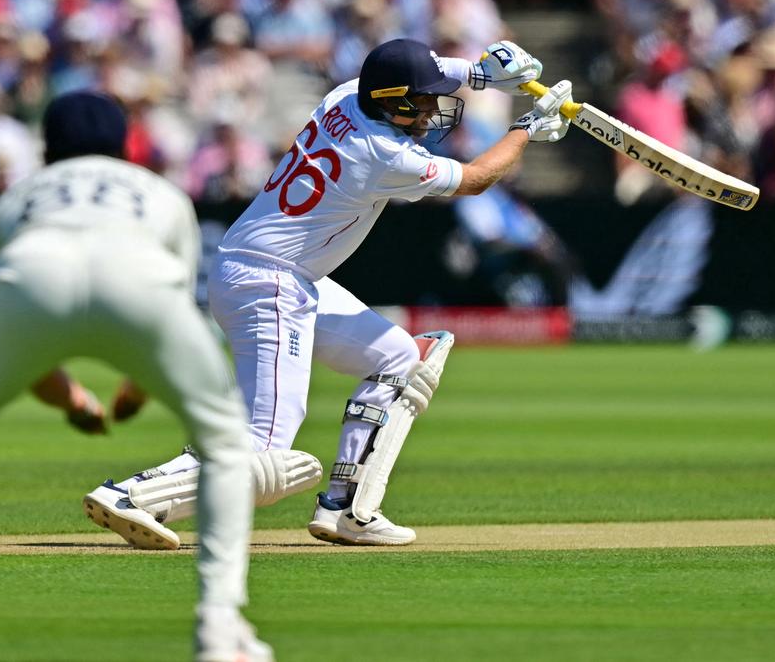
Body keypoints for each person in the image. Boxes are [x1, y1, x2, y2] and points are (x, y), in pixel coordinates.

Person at [0, 92, 270, 662]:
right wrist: (130, 395)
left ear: (47, 147)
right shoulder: (164, 196)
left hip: (36, 274)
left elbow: (27, 341)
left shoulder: (17, 200)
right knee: (227, 447)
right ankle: (219, 628)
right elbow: (163, 328)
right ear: (125, 146)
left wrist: (72, 401)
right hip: (142, 280)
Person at [83, 38, 571, 548]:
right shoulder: (383, 153)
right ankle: (133, 496)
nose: (431, 109)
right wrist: (525, 130)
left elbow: (420, 73)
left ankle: (347, 509)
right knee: (266, 449)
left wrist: (486, 74)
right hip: (269, 283)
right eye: (422, 102)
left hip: (281, 275)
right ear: (393, 102)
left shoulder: (344, 96)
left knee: (401, 359)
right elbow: (473, 179)